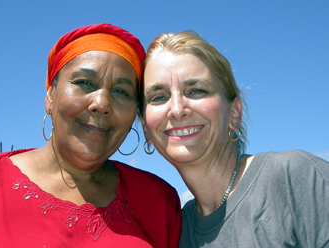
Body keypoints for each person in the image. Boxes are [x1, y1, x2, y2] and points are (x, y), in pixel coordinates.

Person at [0, 24, 181, 247]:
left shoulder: (159, 203)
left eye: (121, 91)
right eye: (84, 83)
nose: (102, 104)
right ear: (50, 95)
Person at [139, 30, 329, 247]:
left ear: (234, 113)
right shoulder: (176, 232)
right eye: (159, 97)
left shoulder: (294, 178)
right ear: (146, 128)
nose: (177, 109)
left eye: (196, 90)